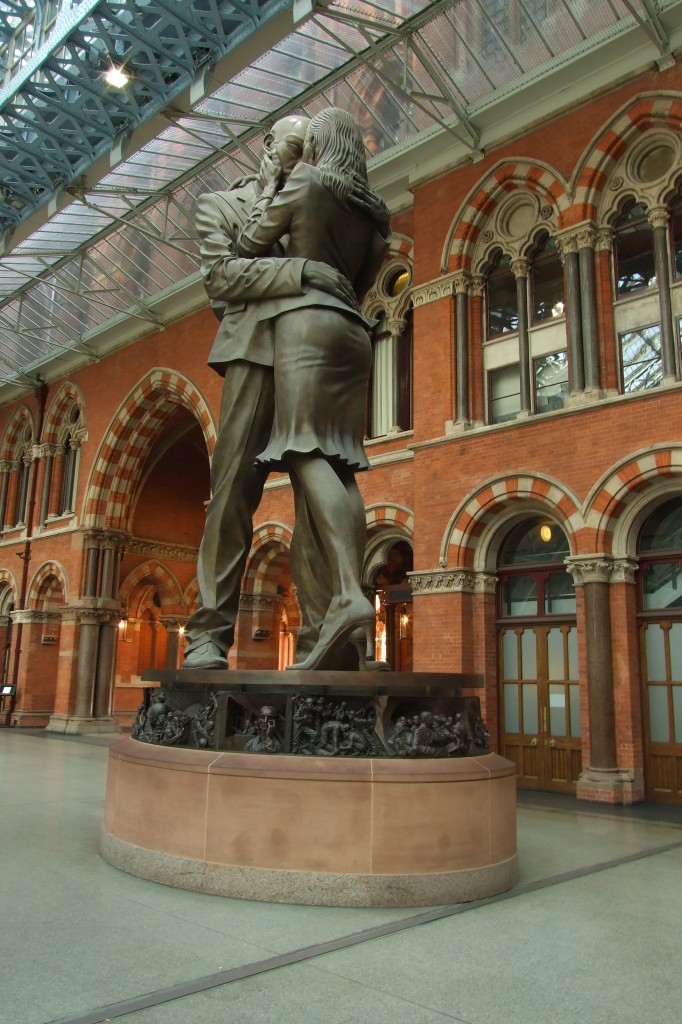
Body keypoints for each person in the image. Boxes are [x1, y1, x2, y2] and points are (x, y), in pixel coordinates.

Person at [183, 114, 389, 670]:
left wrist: (315, 285)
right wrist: (304, 272)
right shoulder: (218, 205)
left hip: (315, 345)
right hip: (254, 350)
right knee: (233, 493)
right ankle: (209, 636)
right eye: (292, 147)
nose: (298, 158)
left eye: (309, 149)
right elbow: (221, 279)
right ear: (268, 146)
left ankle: (327, 635)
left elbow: (351, 278)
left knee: (316, 483)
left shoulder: (319, 189)